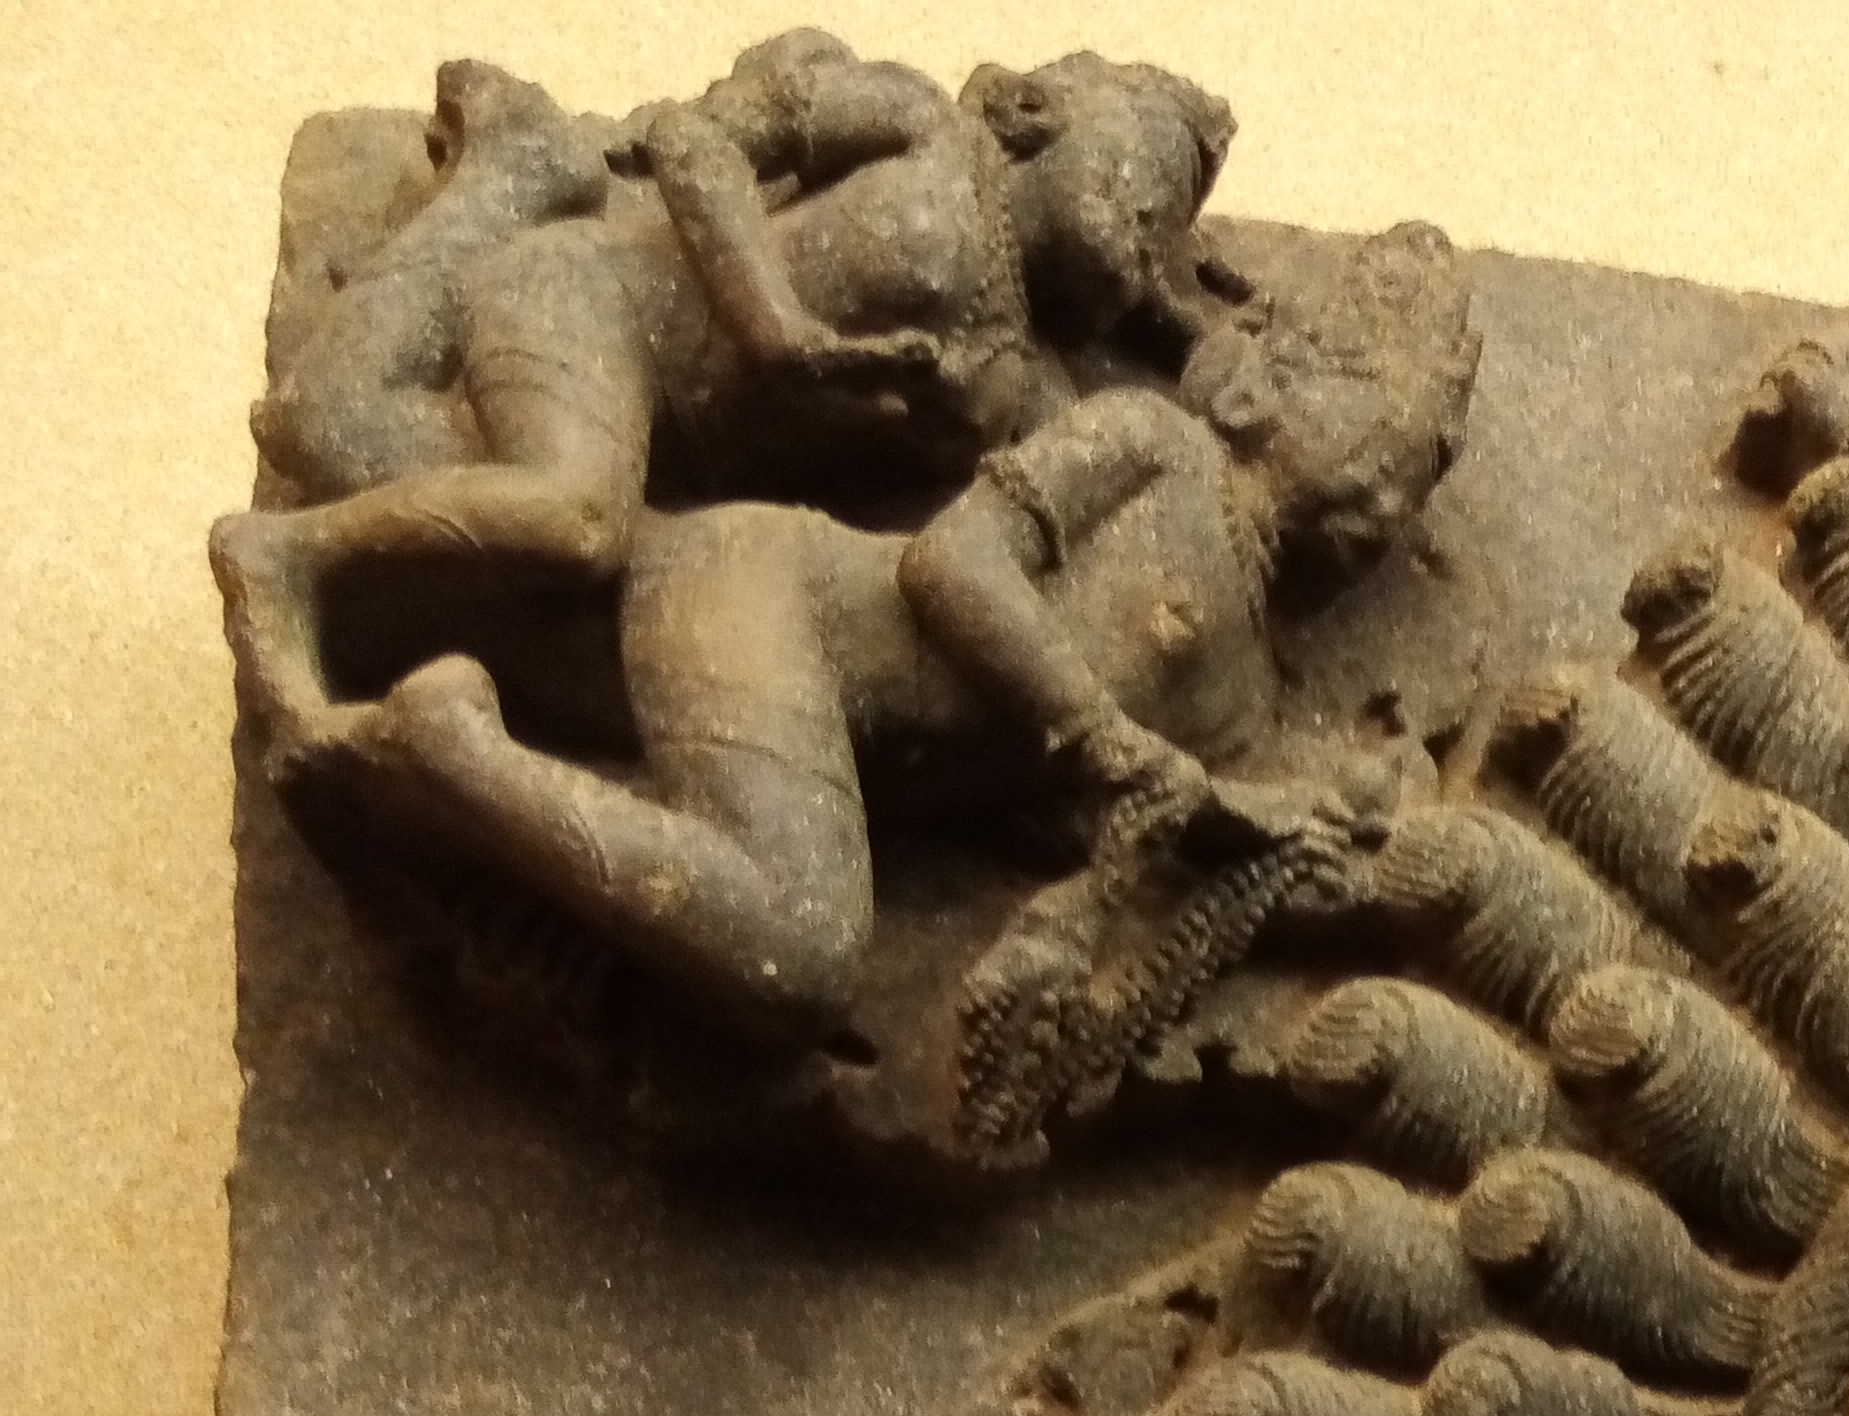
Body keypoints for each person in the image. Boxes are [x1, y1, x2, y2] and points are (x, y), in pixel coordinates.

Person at [310, 225, 1473, 1038]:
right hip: (772, 595)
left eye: (1416, 469)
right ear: (1267, 383)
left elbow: (1093, 821)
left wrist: (1292, 821)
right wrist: (1096, 732)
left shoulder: (1244, 698)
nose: (1389, 484)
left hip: (833, 730)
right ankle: (449, 752)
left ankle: (454, 754)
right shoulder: (1156, 448)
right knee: (801, 949)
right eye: (1379, 421)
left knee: (796, 948)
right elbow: (952, 562)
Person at [216, 35, 1239, 771]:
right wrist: (774, 326)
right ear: (1040, 114)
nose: (1148, 221)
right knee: (575, 517)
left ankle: (516, 172)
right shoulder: (923, 129)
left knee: (344, 431)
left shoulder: (1014, 385)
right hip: (591, 312)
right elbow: (697, 146)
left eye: (1163, 233)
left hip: (674, 489)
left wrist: (1205, 345)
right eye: (1144, 169)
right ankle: (286, 558)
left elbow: (963, 537)